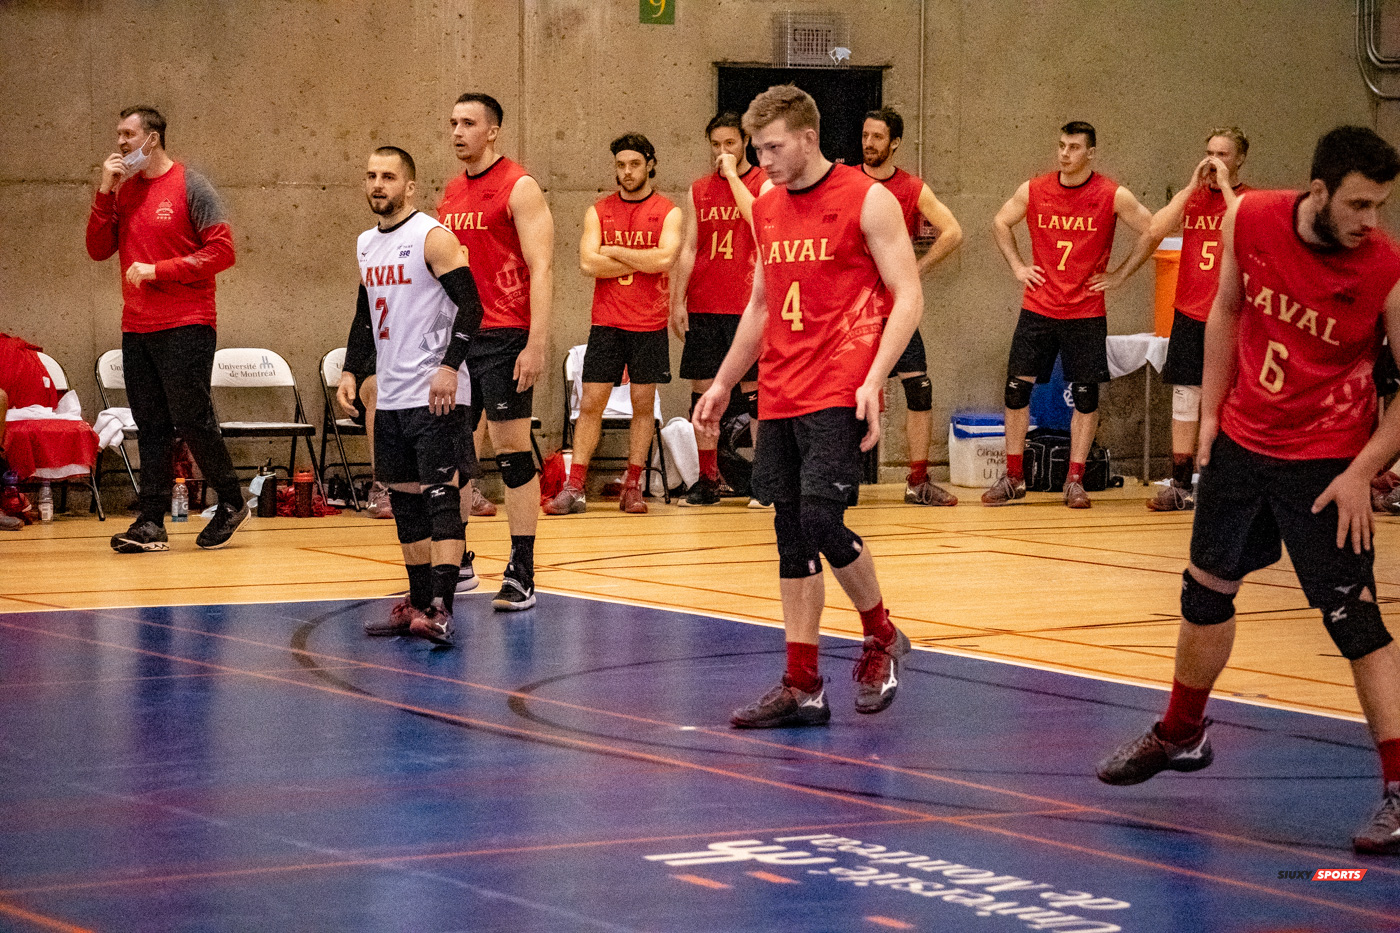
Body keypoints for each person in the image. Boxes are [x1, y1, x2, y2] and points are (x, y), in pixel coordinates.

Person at [1096, 126, 1400, 855]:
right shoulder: (1252, 217)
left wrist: (1362, 470)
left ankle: (1397, 786)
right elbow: (1226, 310)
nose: (1371, 220)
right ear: (1318, 191)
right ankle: (1181, 730)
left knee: (1354, 622)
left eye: (1381, 205)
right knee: (1205, 593)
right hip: (1244, 441)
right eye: (1359, 204)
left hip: (1327, 462)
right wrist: (1208, 423)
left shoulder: (1385, 266)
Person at [694, 85, 922, 728]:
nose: (759, 160)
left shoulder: (867, 200)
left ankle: (880, 635)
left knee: (823, 520)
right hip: (782, 390)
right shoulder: (766, 204)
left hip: (840, 384)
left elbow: (908, 294)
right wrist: (722, 381)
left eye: (770, 147)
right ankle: (803, 684)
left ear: (808, 138)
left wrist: (876, 378)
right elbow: (762, 305)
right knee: (790, 538)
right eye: (754, 148)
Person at [85, 105, 248, 552]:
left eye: (127, 134)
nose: (119, 143)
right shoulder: (124, 191)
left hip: (187, 322)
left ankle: (232, 501)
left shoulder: (191, 185)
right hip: (137, 325)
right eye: (118, 134)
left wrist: (159, 270)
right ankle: (150, 522)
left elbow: (223, 253)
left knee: (192, 418)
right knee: (150, 423)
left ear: (152, 138)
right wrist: (104, 191)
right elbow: (98, 249)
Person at [340, 146, 483, 645]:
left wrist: (449, 367)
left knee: (440, 497)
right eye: (371, 176)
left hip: (437, 391)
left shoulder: (432, 237)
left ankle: (443, 607)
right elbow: (365, 315)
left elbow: (472, 306)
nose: (378, 185)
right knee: (403, 499)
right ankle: (418, 602)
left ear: (410, 187)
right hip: (395, 396)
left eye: (389, 177)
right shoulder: (365, 244)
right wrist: (352, 371)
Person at [987, 121, 1154, 508]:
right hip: (1039, 307)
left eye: (1074, 147)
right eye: (1061, 146)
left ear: (1090, 153)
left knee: (1085, 394)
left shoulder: (1112, 194)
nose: (1065, 153)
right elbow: (1000, 221)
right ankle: (1014, 476)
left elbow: (1152, 228)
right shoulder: (1034, 188)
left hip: (1085, 310)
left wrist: (1121, 274)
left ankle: (1074, 479)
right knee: (1016, 389)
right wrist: (1017, 266)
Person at [436, 92, 554, 610]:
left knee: (511, 454)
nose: (458, 131)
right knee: (456, 455)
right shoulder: (450, 192)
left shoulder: (519, 186)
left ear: (493, 132)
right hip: (459, 338)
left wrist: (536, 343)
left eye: (469, 123)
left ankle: (522, 569)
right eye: (453, 123)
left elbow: (542, 267)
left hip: (507, 335)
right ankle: (458, 561)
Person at [1110, 129, 1251, 511]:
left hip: (1230, 316)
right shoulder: (1192, 199)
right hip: (1189, 311)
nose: (1212, 161)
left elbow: (1242, 228)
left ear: (1239, 159)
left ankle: (1224, 481)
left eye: (1222, 154)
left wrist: (1225, 187)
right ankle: (1179, 483)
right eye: (1208, 153)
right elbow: (1156, 229)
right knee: (1185, 396)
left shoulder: (1248, 202)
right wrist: (1191, 187)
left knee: (1229, 399)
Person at [544, 133, 681, 515]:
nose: (627, 172)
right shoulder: (598, 210)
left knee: (642, 405)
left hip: (649, 322)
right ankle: (575, 487)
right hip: (606, 323)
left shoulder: (668, 211)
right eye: (621, 165)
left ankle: (633, 485)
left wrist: (614, 251)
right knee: (590, 403)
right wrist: (643, 257)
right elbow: (589, 263)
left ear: (649, 163)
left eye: (634, 164)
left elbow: (665, 259)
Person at [860, 107, 964, 506]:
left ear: (895, 143)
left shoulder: (910, 187)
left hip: (897, 309)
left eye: (877, 137)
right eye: (865, 136)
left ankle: (918, 481)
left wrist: (916, 268)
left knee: (919, 390)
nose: (869, 143)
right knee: (847, 394)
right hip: (855, 310)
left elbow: (953, 231)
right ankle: (841, 478)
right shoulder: (848, 182)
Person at [669, 112, 769, 506]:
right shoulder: (698, 189)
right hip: (706, 303)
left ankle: (765, 479)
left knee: (755, 392)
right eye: (715, 145)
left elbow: (759, 220)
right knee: (703, 391)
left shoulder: (763, 182)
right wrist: (678, 299)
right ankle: (708, 478)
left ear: (745, 142)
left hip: (746, 304)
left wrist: (731, 176)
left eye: (729, 143)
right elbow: (690, 247)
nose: (721, 152)